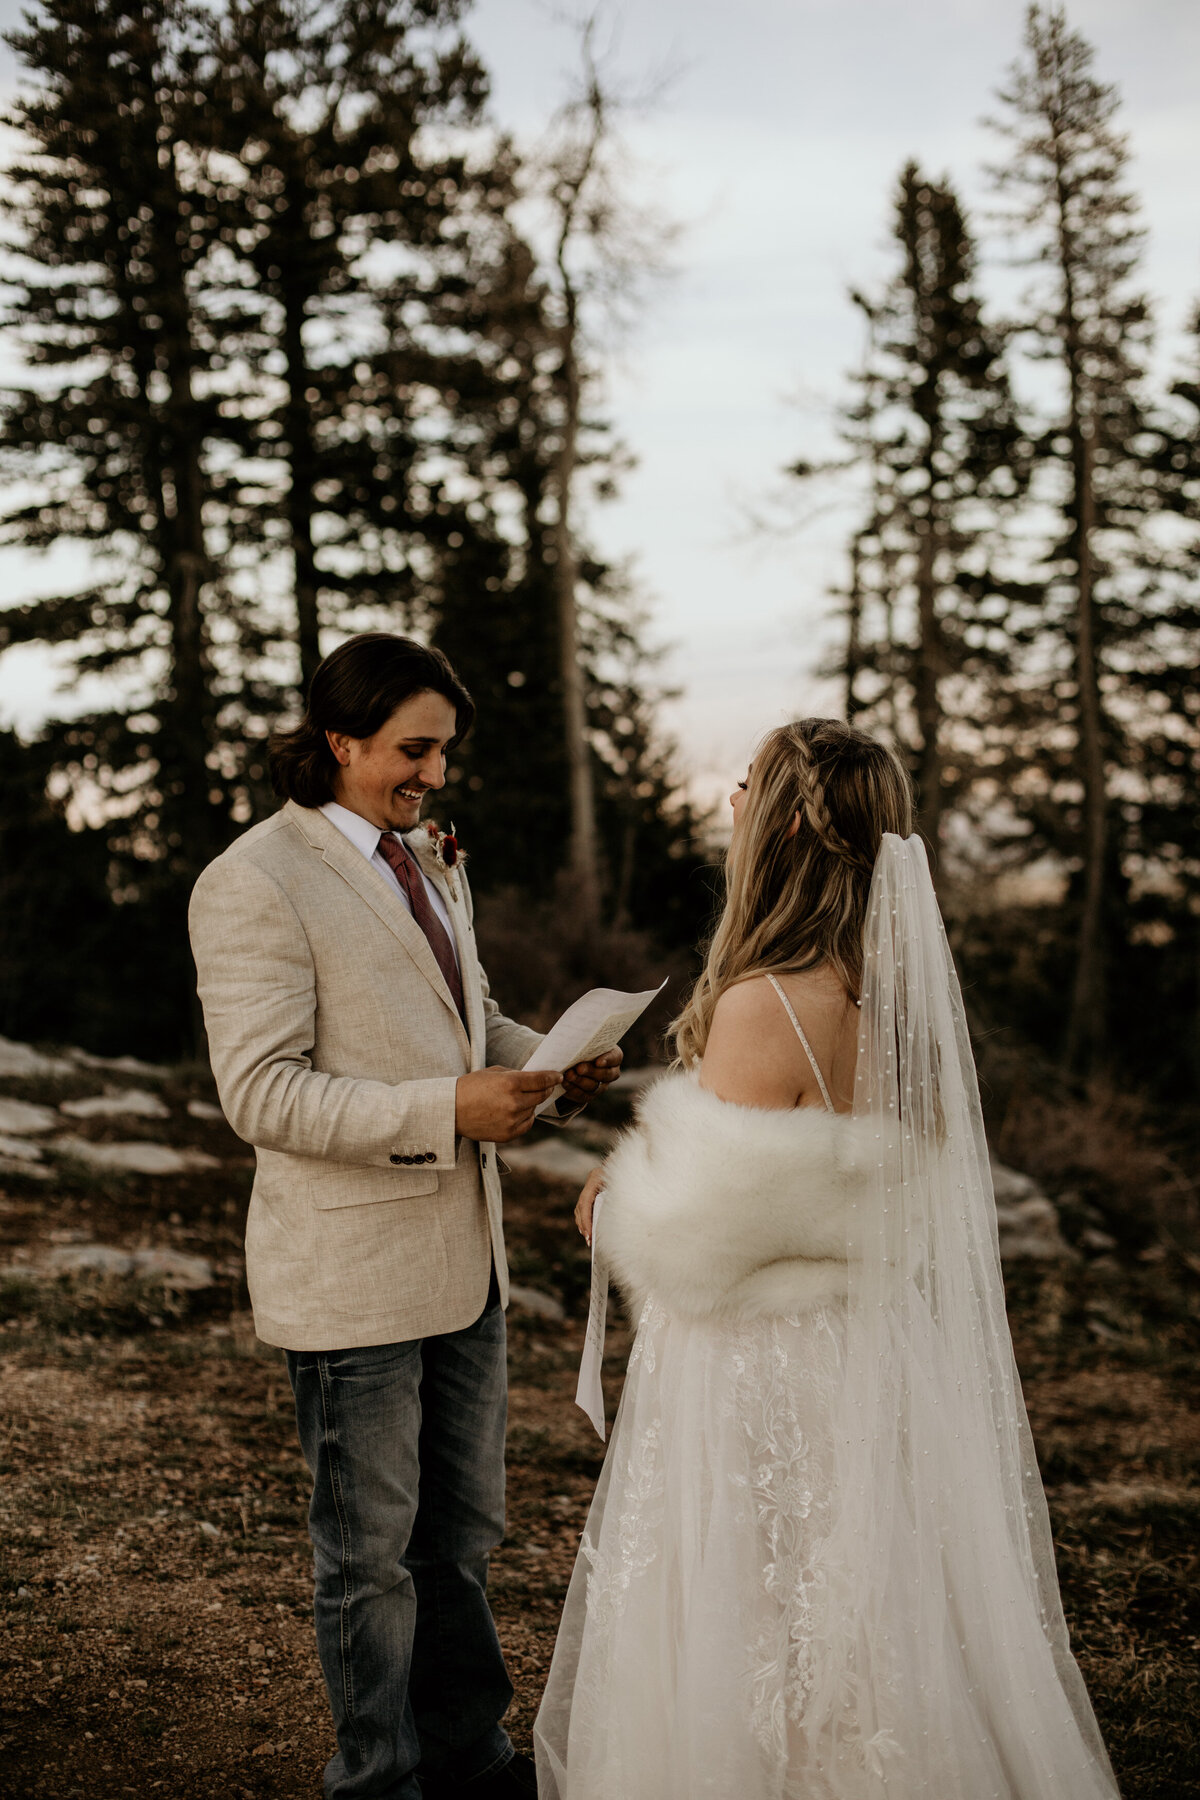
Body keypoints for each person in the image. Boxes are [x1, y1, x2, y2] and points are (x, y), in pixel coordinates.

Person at [534, 718, 1120, 1800]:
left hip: (759, 1368)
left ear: (790, 820)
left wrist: (612, 1202)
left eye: (748, 784)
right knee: (866, 1605)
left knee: (760, 1614)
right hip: (871, 1348)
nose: (732, 803)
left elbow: (703, 1238)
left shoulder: (768, 1001)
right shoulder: (894, 1002)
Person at [189, 632, 620, 1800]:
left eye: (444, 753)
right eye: (412, 750)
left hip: (464, 1265)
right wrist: (451, 1106)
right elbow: (260, 1093)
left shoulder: (424, 859)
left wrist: (553, 1063)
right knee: (369, 1559)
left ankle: (472, 1761)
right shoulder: (253, 880)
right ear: (340, 741)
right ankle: (378, 1779)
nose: (434, 775)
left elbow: (462, 1019)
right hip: (351, 1276)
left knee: (461, 1543)